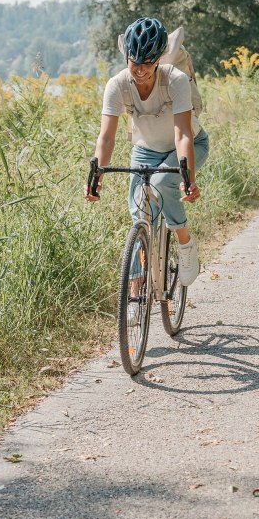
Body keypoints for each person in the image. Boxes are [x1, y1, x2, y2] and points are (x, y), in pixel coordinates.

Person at [85, 17, 208, 321]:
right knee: (141, 211)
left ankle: (184, 242)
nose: (139, 70)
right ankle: (137, 293)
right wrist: (96, 174)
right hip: (146, 149)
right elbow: (107, 136)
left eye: (147, 63)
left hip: (188, 145)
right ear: (126, 56)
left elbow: (183, 135)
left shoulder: (176, 80)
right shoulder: (117, 85)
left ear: (158, 60)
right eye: (133, 62)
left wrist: (187, 178)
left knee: (165, 182)